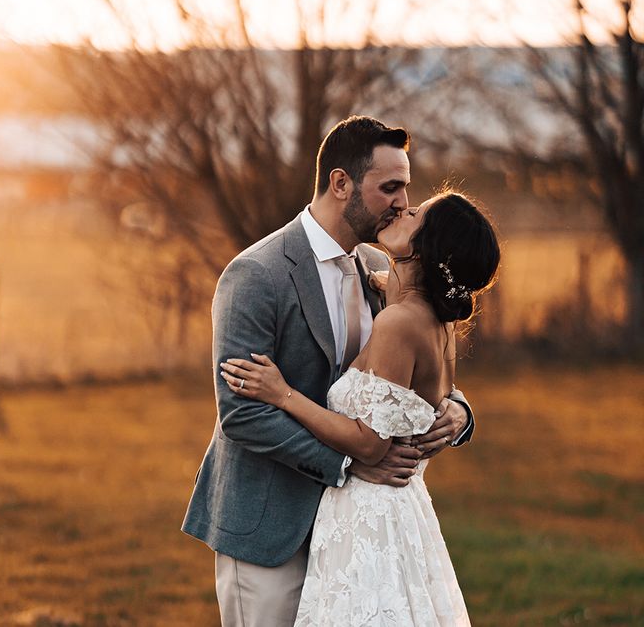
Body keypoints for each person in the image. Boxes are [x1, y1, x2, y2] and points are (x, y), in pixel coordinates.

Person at [181, 116, 474, 627]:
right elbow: (242, 415)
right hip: (269, 526)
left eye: (405, 187)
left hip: (351, 535)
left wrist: (458, 411)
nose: (403, 202)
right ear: (341, 184)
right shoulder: (255, 275)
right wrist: (349, 465)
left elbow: (401, 374)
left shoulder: (375, 270)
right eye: (390, 188)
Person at [222, 190, 500, 625]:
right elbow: (433, 398)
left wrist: (281, 394)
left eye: (417, 213)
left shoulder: (399, 322)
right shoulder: (426, 312)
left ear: (428, 249)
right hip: (396, 514)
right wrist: (457, 412)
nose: (404, 206)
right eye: (395, 190)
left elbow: (370, 445)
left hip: (369, 518)